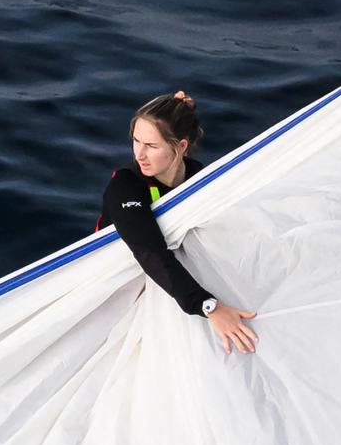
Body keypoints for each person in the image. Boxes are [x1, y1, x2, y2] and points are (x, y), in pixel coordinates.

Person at [95, 90, 258, 355]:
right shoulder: (125, 186)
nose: (140, 154)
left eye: (152, 146)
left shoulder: (198, 177)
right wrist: (209, 307)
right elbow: (148, 251)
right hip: (122, 292)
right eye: (136, 141)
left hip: (178, 282)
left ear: (181, 146)